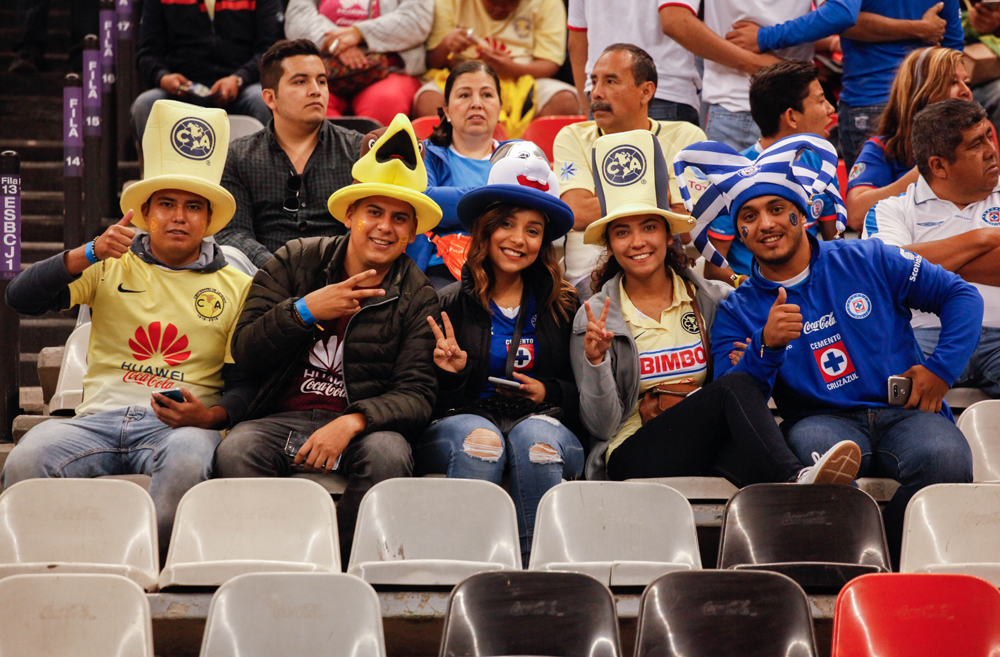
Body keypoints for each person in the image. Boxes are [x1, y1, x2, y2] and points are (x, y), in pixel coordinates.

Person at [689, 134, 983, 567]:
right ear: (741, 232)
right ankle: (854, 570)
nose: (766, 224)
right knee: (817, 466)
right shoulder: (739, 309)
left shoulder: (866, 257)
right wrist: (764, 347)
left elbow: (961, 297)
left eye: (776, 209)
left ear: (801, 213)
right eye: (749, 216)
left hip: (905, 412)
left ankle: (895, 563)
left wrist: (941, 370)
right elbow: (732, 397)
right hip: (818, 421)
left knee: (948, 459)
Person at [3, 101, 254, 560]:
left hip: (177, 426)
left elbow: (246, 384)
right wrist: (88, 251)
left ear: (209, 219)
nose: (178, 217)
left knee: (186, 462)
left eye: (193, 207)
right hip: (95, 420)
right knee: (25, 458)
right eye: (166, 205)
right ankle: (48, 568)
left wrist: (209, 418)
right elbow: (21, 297)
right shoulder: (108, 261)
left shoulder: (239, 285)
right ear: (144, 212)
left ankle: (150, 569)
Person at [570, 129, 861, 489]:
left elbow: (735, 376)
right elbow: (601, 427)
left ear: (667, 236)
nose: (638, 242)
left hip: (703, 441)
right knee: (733, 391)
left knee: (758, 466)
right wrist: (596, 363)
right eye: (622, 233)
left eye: (649, 228)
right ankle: (798, 478)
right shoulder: (595, 317)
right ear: (611, 245)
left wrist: (750, 353)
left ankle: (806, 498)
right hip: (631, 451)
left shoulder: (710, 298)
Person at [214, 115, 443, 560]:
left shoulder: (418, 294)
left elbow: (418, 394)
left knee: (389, 455)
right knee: (237, 448)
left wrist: (353, 421)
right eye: (373, 212)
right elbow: (245, 352)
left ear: (413, 232)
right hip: (282, 417)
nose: (384, 227)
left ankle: (339, 562)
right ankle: (278, 558)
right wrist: (306, 312)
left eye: (399, 219)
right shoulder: (294, 259)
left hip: (362, 425)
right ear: (350, 215)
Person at [415, 151, 583, 564]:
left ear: (544, 242)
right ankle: (468, 573)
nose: (518, 239)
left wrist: (549, 390)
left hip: (542, 422)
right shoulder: (446, 303)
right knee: (482, 442)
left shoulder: (565, 304)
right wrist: (452, 374)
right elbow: (424, 398)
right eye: (506, 224)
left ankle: (540, 577)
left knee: (534, 442)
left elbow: (584, 395)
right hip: (464, 418)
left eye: (533, 230)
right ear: (485, 232)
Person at [722, 0, 962, 170]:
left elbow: (841, 14)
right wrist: (917, 29)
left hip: (872, 101)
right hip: (928, 103)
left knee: (872, 217)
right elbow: (953, 45)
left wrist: (765, 37)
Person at [864, 99, 1000, 399]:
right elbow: (888, 273)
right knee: (875, 385)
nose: (992, 150)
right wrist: (983, 239)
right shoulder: (891, 209)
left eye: (990, 136)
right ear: (938, 165)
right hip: (922, 337)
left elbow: (902, 266)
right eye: (977, 144)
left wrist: (920, 263)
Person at [552, 43, 705, 294]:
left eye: (611, 81)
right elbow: (577, 213)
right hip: (588, 282)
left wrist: (602, 200)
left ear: (645, 91)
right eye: (594, 81)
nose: (596, 93)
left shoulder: (685, 136)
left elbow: (687, 226)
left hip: (664, 272)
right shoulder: (572, 136)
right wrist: (655, 194)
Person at [216, 39, 364, 270]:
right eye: (300, 81)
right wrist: (278, 269)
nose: (316, 90)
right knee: (228, 255)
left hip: (340, 273)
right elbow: (233, 232)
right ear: (270, 98)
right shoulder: (239, 155)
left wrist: (330, 269)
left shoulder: (357, 149)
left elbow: (363, 227)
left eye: (321, 81)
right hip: (263, 275)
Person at [705, 61, 841, 285]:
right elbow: (714, 270)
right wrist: (754, 287)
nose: (830, 109)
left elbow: (834, 242)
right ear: (791, 117)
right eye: (820, 100)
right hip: (754, 298)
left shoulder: (821, 164)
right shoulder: (731, 177)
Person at [846, 47, 973, 231]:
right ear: (922, 92)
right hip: (909, 252)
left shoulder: (981, 141)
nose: (966, 91)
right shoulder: (883, 148)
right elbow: (856, 216)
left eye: (967, 82)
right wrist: (922, 175)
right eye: (953, 83)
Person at [413, 0, 581, 137]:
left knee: (565, 101)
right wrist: (445, 46)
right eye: (493, 2)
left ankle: (528, 161)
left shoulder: (548, 3)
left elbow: (550, 63)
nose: (500, 7)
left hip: (524, 77)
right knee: (428, 101)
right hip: (460, 74)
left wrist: (509, 68)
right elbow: (431, 61)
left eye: (510, 3)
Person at [659, 0, 807, 151]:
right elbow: (675, 21)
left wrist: (765, 37)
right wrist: (761, 63)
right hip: (737, 105)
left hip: (786, 105)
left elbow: (831, 15)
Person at [131, 0, 280, 146]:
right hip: (183, 91)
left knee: (263, 101)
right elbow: (147, 53)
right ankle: (159, 170)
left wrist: (239, 78)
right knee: (145, 105)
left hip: (242, 87)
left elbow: (270, 50)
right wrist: (162, 77)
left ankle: (265, 168)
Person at [408, 61, 503, 288]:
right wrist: (500, 197)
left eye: (487, 94)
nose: (476, 104)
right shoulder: (426, 154)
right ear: (447, 110)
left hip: (507, 264)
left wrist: (455, 202)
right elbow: (426, 203)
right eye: (464, 95)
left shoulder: (519, 155)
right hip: (440, 270)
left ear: (500, 107)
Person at [284, 0, 432, 127]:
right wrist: (338, 43)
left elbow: (416, 19)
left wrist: (359, 34)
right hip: (324, 69)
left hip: (390, 70)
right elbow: (296, 17)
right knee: (306, 103)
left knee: (385, 102)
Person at [567, 0, 699, 125]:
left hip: (599, 95)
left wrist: (589, 105)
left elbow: (577, 41)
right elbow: (675, 22)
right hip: (668, 90)